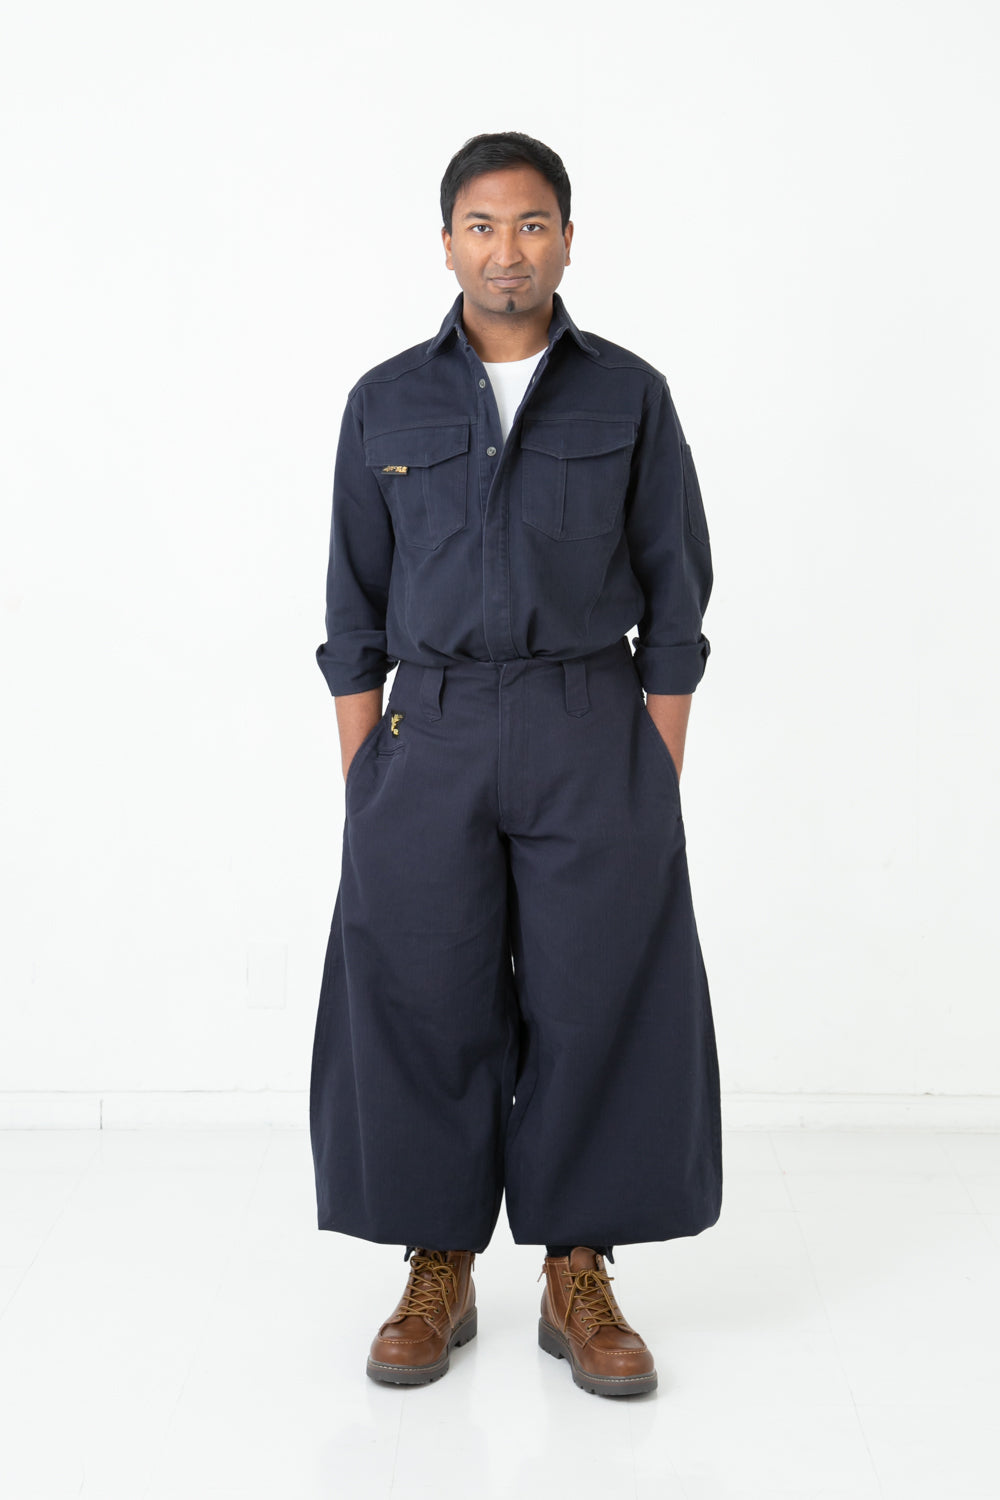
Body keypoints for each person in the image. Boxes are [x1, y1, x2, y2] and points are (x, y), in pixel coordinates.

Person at [309, 131, 722, 1398]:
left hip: (587, 723)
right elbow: (351, 608)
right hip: (426, 734)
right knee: (421, 993)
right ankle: (436, 1264)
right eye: (482, 227)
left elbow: (675, 596)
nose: (507, 250)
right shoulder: (385, 400)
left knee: (595, 995)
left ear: (567, 241)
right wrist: (367, 781)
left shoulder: (629, 395)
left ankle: (576, 1270)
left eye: (532, 224)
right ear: (446, 243)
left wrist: (647, 772)